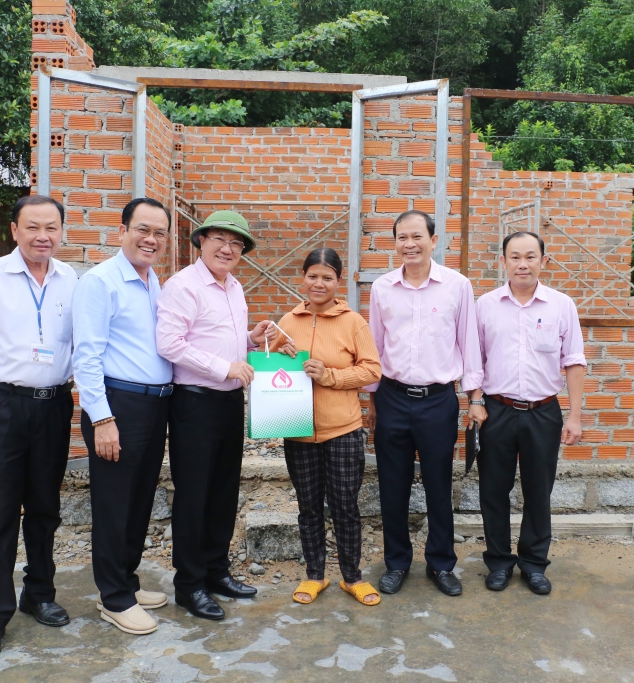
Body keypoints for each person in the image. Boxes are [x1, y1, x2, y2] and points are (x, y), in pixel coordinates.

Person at [0, 195, 78, 665]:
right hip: (3, 405)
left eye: (51, 227)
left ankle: (39, 592)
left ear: (61, 232)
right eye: (32, 227)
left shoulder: (70, 280)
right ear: (14, 230)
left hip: (53, 406)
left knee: (45, 507)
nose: (42, 235)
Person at [155, 210, 272, 621]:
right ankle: (189, 585)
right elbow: (170, 343)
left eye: (236, 243)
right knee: (194, 494)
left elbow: (217, 338)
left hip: (226, 401)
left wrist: (248, 340)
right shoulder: (184, 285)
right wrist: (225, 367)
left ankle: (216, 571)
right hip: (194, 402)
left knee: (223, 490)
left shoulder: (234, 286)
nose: (228, 248)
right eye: (220, 239)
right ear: (201, 242)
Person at [366, 210, 484, 598]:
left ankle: (441, 563)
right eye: (402, 237)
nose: (410, 244)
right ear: (395, 242)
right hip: (392, 397)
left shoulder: (457, 286)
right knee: (392, 486)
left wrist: (474, 398)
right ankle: (397, 562)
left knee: (438, 484)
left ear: (434, 240)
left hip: (438, 401)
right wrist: (372, 401)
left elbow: (469, 345)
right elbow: (375, 348)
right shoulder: (382, 288)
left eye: (417, 236)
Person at [72, 197, 174, 635]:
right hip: (119, 405)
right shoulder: (101, 282)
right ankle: (112, 598)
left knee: (138, 500)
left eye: (159, 233)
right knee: (114, 504)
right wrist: (102, 418)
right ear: (122, 231)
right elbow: (87, 356)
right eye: (142, 230)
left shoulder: (153, 281)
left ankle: (126, 582)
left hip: (155, 404)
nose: (150, 239)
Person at [472, 231, 585, 595]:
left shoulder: (561, 305)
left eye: (531, 257)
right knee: (493, 490)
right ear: (502, 261)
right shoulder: (485, 305)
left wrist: (575, 415)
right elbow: (476, 361)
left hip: (543, 412)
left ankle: (535, 564)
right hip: (497, 410)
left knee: (539, 491)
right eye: (515, 257)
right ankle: (499, 562)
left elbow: (574, 360)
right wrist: (475, 401)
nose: (523, 264)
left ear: (543, 261)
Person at [269, 248, 382, 606]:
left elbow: (372, 371)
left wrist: (330, 375)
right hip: (297, 429)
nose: (319, 283)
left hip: (343, 430)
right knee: (308, 506)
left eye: (327, 277)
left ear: (338, 281)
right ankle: (314, 575)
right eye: (312, 276)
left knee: (345, 505)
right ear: (303, 278)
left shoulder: (353, 322)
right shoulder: (288, 321)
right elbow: (270, 368)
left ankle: (352, 577)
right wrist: (270, 354)